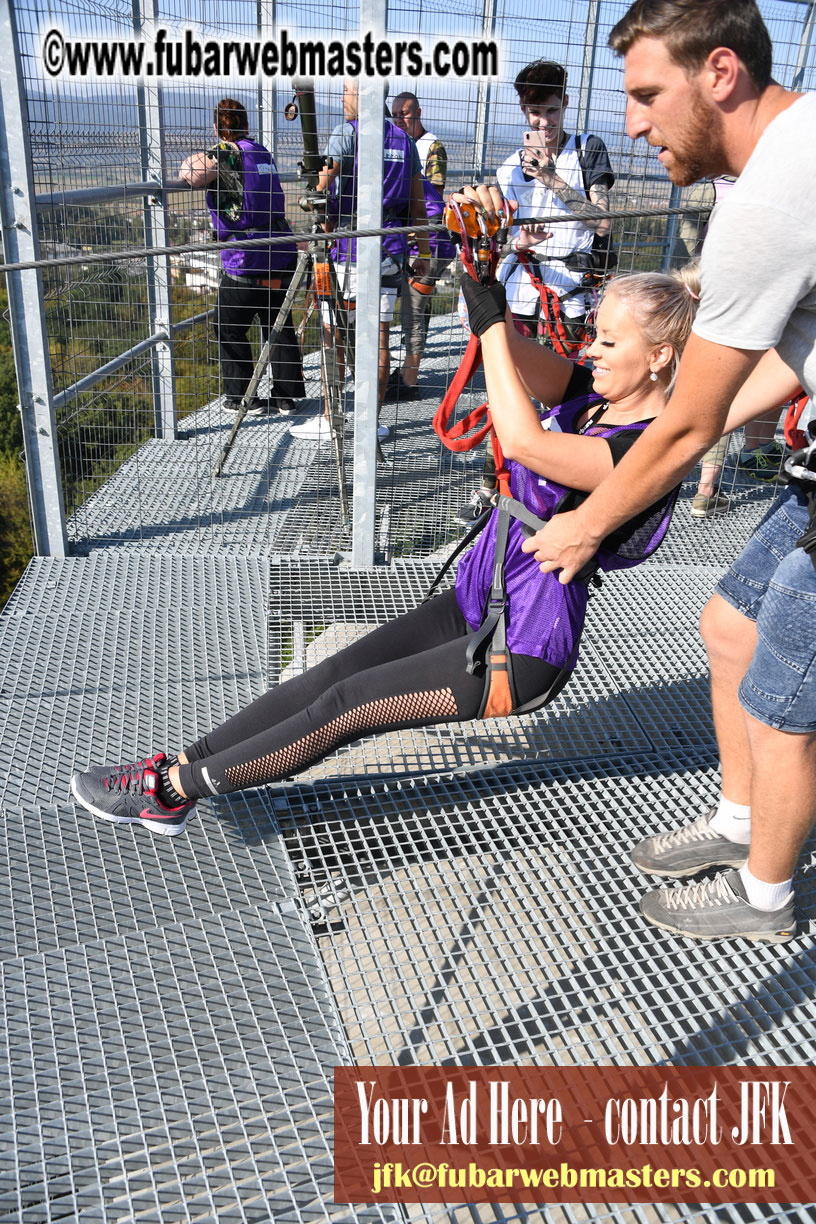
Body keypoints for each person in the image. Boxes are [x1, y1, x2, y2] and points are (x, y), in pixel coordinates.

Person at [69, 269, 700, 834]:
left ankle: (169, 792)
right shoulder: (591, 400)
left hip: (524, 647)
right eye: (594, 335)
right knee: (333, 674)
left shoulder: (641, 452)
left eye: (609, 342)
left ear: (659, 357)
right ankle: (184, 764)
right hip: (477, 599)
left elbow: (527, 443)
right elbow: (515, 359)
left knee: (346, 709)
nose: (591, 349)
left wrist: (488, 328)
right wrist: (488, 295)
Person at [509, 0, 816, 942]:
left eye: (647, 95)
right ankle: (740, 822)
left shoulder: (771, 196)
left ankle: (767, 898)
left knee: (783, 699)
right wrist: (711, 410)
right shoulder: (788, 155)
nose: (632, 124)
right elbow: (778, 366)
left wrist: (588, 522)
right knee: (730, 625)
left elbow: (684, 432)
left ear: (720, 73)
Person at [457, 60, 615, 526]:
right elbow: (498, 236)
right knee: (509, 395)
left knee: (568, 397)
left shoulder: (588, 151)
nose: (542, 122)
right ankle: (495, 484)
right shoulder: (510, 168)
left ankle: (556, 486)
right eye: (533, 112)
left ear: (564, 104)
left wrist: (551, 179)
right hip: (523, 290)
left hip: (569, 299)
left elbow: (602, 221)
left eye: (549, 110)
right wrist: (515, 243)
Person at [289, 81, 430, 444]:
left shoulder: (346, 133)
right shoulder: (404, 140)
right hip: (390, 249)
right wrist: (423, 252)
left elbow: (321, 188)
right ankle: (371, 422)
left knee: (333, 333)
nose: (341, 98)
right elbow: (417, 205)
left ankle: (331, 418)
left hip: (348, 250)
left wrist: (313, 195)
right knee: (379, 338)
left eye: (347, 91)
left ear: (363, 95)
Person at [179, 98, 305, 417]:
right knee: (276, 321)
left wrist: (212, 148)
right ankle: (286, 396)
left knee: (227, 324)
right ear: (246, 124)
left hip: (246, 258)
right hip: (281, 252)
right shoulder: (261, 151)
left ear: (218, 128)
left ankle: (242, 396)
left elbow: (191, 175)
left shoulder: (226, 152)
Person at [386, 92, 456, 401]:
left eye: (406, 114)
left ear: (419, 113)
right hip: (418, 243)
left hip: (428, 243)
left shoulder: (429, 148)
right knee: (413, 309)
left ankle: (409, 381)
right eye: (395, 115)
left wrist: (417, 242)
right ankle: (404, 371)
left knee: (413, 311)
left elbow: (430, 205)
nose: (400, 120)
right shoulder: (402, 150)